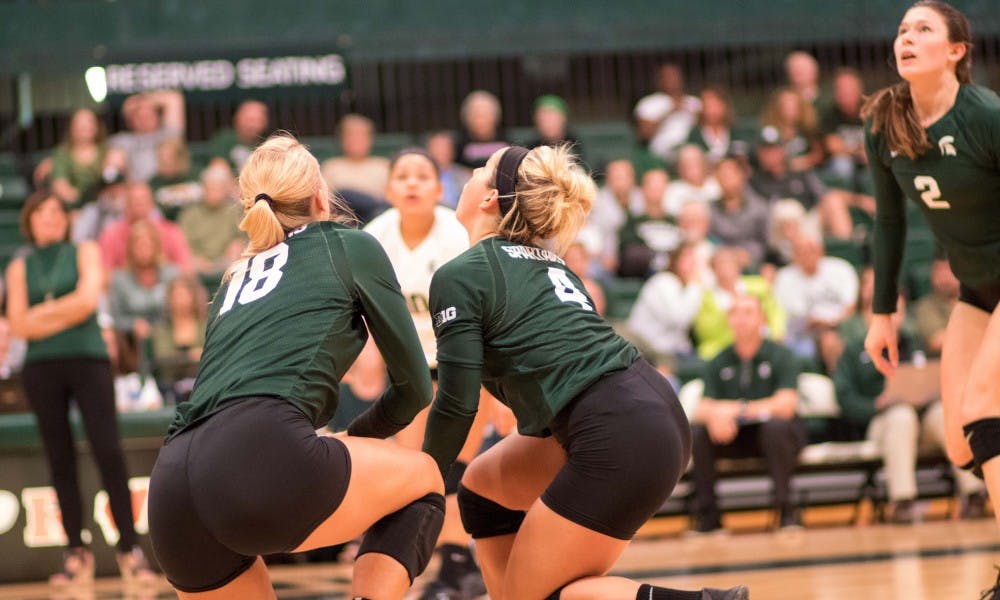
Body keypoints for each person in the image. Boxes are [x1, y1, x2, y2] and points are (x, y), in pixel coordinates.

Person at [421, 144, 747, 600]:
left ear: (490, 199)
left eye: (483, 169)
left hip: (614, 429)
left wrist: (422, 480)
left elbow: (456, 403)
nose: (471, 173)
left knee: (550, 596)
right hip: (649, 410)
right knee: (482, 488)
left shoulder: (462, 273)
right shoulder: (551, 263)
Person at [147, 134, 445, 599]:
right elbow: (415, 388)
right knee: (425, 476)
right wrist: (359, 435)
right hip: (259, 454)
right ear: (319, 196)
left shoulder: (234, 277)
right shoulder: (350, 244)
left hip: (171, 484)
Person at [861, 2, 1000, 572]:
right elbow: (889, 222)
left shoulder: (985, 115)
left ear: (956, 52)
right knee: (959, 441)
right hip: (976, 288)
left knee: (984, 405)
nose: (907, 38)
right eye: (901, 30)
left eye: (923, 30)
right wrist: (882, 313)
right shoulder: (885, 124)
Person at [4, 190, 153, 585]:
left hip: (89, 360)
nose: (50, 218)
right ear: (30, 221)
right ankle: (75, 552)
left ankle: (129, 549)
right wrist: (60, 311)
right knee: (59, 458)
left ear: (67, 218)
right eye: (42, 213)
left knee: (108, 451)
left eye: (57, 211)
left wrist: (42, 314)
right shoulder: (20, 266)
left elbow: (88, 301)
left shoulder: (85, 250)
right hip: (40, 368)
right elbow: (17, 324)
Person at [362, 147, 488, 598]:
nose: (412, 183)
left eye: (422, 175)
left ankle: (459, 564)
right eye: (403, 175)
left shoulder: (456, 234)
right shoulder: (376, 237)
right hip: (410, 371)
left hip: (464, 362)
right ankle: (451, 562)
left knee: (453, 468)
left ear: (439, 188)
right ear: (389, 188)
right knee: (419, 474)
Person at [835, 294, 986, 523]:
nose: (893, 318)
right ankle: (902, 501)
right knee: (901, 416)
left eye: (898, 311)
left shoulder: (915, 343)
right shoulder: (853, 352)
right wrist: (875, 405)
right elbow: (844, 399)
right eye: (887, 312)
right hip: (881, 424)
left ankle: (974, 493)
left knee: (941, 413)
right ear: (869, 316)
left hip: (922, 419)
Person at [690, 294, 807, 532]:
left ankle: (786, 512)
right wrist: (715, 416)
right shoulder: (718, 361)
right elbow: (701, 408)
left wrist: (737, 409)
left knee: (776, 428)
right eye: (735, 313)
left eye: (748, 312)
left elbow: (786, 406)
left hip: (778, 437)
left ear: (762, 319)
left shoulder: (782, 356)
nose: (741, 319)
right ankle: (708, 518)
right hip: (734, 436)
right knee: (699, 432)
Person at [773, 232, 859, 360]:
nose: (807, 255)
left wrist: (832, 323)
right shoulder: (784, 278)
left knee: (831, 341)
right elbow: (787, 315)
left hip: (840, 326)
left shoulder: (840, 269)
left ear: (821, 250)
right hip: (802, 333)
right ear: (794, 256)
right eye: (801, 251)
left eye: (811, 249)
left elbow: (851, 306)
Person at [108, 220, 178, 374]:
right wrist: (133, 324)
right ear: (130, 249)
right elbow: (115, 317)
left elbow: (181, 307)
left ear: (156, 246)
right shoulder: (119, 279)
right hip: (132, 343)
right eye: (139, 246)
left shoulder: (172, 274)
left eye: (148, 245)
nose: (144, 250)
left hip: (168, 335)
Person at [99, 182, 193, 272]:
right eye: (134, 200)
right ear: (126, 205)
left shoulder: (171, 232)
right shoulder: (112, 234)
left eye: (143, 200)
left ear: (152, 203)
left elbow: (185, 268)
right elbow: (106, 271)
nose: (139, 204)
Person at [177, 165, 245, 281]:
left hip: (226, 260)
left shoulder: (235, 212)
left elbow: (241, 238)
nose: (213, 192)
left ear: (225, 189)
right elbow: (181, 243)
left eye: (217, 188)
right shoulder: (189, 215)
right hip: (196, 261)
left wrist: (236, 246)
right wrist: (196, 258)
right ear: (203, 188)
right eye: (209, 188)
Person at [149, 274, 207, 404]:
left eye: (184, 294)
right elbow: (162, 358)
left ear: (193, 297)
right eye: (176, 295)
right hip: (169, 387)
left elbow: (211, 354)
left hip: (203, 384)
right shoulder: (161, 329)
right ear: (169, 299)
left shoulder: (205, 325)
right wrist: (191, 356)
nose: (180, 299)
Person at [49, 108, 122, 208]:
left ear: (97, 126)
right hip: (76, 207)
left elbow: (114, 184)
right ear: (71, 127)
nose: (84, 126)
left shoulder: (108, 150)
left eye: (89, 121)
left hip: (106, 205)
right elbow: (61, 187)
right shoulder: (62, 154)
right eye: (79, 122)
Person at [109, 90, 186, 183]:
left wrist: (139, 101)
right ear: (130, 121)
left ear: (157, 116)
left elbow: (174, 98)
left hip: (166, 185)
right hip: (137, 188)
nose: (144, 120)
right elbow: (112, 170)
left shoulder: (167, 134)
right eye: (139, 117)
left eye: (148, 115)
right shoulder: (123, 140)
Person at [709, 156, 770, 269]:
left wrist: (750, 254)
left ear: (741, 175)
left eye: (729, 175)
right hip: (720, 264)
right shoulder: (709, 209)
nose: (725, 179)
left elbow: (766, 243)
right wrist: (725, 254)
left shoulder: (760, 208)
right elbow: (709, 240)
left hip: (753, 264)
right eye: (721, 175)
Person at [635, 63, 702, 164]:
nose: (672, 80)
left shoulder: (694, 102)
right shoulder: (648, 103)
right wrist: (669, 112)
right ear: (659, 80)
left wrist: (695, 116)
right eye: (667, 76)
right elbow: (644, 134)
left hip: (691, 152)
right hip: (661, 153)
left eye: (675, 76)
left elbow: (706, 130)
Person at [321, 113, 391, 199]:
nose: (356, 140)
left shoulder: (383, 166)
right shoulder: (331, 167)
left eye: (361, 135)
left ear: (370, 139)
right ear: (342, 139)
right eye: (351, 135)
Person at [912, 256, 960, 358]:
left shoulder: (975, 301)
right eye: (938, 272)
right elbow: (937, 341)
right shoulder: (926, 306)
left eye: (949, 271)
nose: (944, 278)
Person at [208, 99, 270, 173]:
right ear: (237, 118)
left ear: (265, 122)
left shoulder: (269, 144)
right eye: (249, 120)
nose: (252, 125)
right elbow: (218, 165)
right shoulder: (225, 139)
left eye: (258, 120)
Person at [454, 90, 509, 169]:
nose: (481, 121)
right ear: (467, 118)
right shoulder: (458, 146)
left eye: (485, 115)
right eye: (476, 116)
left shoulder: (507, 141)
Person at [425, 130, 471, 209]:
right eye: (437, 147)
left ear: (452, 150)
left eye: (444, 147)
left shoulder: (465, 175)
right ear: (429, 150)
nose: (441, 151)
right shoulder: (420, 176)